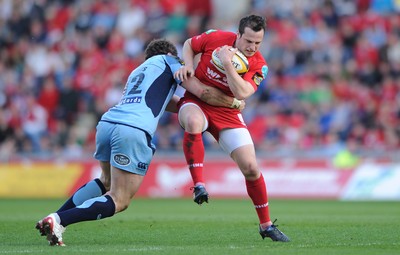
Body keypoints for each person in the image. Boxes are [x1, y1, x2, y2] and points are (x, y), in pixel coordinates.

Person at [35, 38, 245, 246]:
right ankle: (60, 220)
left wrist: (189, 106)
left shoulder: (139, 71)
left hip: (108, 123)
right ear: (171, 54)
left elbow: (172, 102)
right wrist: (233, 102)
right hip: (132, 130)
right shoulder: (169, 61)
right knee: (120, 199)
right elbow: (203, 91)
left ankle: (53, 218)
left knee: (106, 181)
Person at [174, 14, 290, 242]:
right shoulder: (216, 37)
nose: (252, 47)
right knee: (194, 122)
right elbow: (189, 44)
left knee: (251, 168)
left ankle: (266, 225)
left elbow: (243, 93)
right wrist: (188, 65)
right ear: (238, 35)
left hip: (227, 113)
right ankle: (199, 184)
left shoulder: (259, 64)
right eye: (248, 41)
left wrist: (228, 63)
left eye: (257, 43)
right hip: (196, 102)